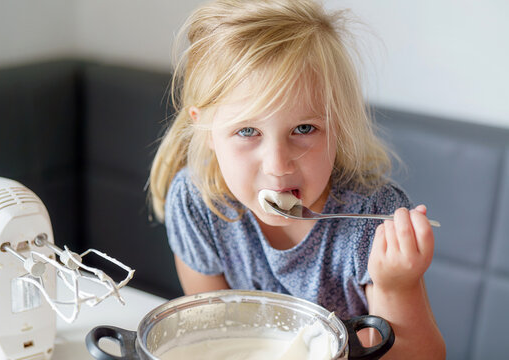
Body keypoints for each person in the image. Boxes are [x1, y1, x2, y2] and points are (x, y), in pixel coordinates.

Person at [148, 0, 446, 358]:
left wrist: (397, 286)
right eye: (247, 131)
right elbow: (207, 338)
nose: (277, 165)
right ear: (206, 128)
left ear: (338, 126)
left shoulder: (371, 221)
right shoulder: (198, 202)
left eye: (304, 129)